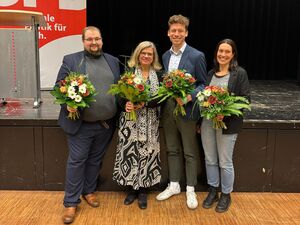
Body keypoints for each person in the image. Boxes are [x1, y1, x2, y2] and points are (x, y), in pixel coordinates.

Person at [55, 26, 120, 224]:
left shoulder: (113, 61)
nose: (94, 43)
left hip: (106, 124)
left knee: (95, 161)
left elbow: (119, 88)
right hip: (80, 124)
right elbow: (59, 86)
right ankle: (70, 203)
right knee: (77, 162)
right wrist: (69, 106)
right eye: (90, 39)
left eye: (97, 39)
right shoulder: (71, 59)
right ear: (83, 41)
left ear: (102, 40)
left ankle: (89, 191)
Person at [156, 14, 207, 209]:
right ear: (168, 33)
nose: (176, 34)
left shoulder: (197, 56)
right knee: (172, 148)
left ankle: (191, 189)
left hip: (187, 109)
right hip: (168, 109)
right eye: (173, 30)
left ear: (186, 33)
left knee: (189, 151)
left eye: (180, 31)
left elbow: (203, 84)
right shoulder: (166, 56)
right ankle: (174, 184)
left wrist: (188, 96)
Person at [200, 38, 250, 213]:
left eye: (227, 51)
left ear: (233, 54)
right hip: (207, 123)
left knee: (225, 162)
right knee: (210, 159)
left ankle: (226, 195)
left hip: (226, 124)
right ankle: (213, 190)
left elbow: (245, 100)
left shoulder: (239, 73)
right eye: (220, 51)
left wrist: (225, 113)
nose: (223, 54)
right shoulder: (210, 73)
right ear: (216, 53)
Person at [113, 41, 163, 209]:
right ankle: (131, 189)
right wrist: (125, 104)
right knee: (130, 153)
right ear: (138, 54)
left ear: (153, 57)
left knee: (147, 153)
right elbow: (119, 95)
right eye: (143, 53)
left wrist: (145, 104)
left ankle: (142, 190)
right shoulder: (128, 74)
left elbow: (162, 98)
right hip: (130, 122)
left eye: (150, 54)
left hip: (150, 122)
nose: (146, 56)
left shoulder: (160, 75)